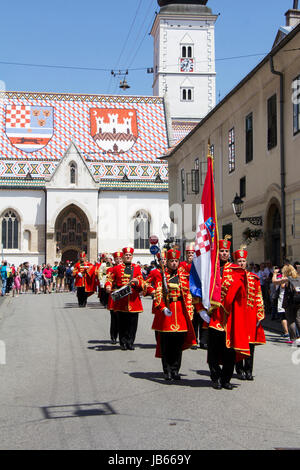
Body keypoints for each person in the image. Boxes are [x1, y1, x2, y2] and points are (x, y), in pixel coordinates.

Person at [207, 236, 250, 390]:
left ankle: (226, 379)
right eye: (221, 251)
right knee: (212, 349)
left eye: (226, 251)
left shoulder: (236, 271)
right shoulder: (210, 269)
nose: (224, 253)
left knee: (229, 350)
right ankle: (215, 377)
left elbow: (241, 293)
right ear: (217, 252)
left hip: (229, 317)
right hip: (213, 315)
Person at [149, 248, 196, 381]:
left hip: (180, 312)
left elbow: (187, 295)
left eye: (176, 261)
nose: (174, 263)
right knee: (166, 344)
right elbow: (158, 294)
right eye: (171, 261)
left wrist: (190, 312)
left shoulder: (183, 276)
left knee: (178, 344)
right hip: (167, 314)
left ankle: (175, 370)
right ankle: (167, 370)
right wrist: (163, 308)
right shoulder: (162, 275)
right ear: (167, 262)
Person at [233, 246, 266, 381]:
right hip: (238, 314)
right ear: (235, 262)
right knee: (238, 343)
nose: (241, 263)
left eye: (243, 261)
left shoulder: (254, 278)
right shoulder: (232, 277)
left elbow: (259, 296)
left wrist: (260, 313)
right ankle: (239, 369)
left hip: (251, 314)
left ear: (246, 262)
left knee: (250, 344)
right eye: (239, 261)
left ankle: (249, 370)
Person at [105, 247, 144, 351]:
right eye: (126, 255)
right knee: (122, 323)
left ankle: (130, 342)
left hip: (133, 299)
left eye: (129, 255)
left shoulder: (136, 268)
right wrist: (108, 286)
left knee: (133, 323)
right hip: (121, 299)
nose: (128, 256)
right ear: (123, 256)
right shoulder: (116, 268)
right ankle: (123, 342)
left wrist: (137, 282)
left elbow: (142, 281)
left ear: (132, 256)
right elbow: (109, 279)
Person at [273, 264, 300, 345]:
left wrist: (274, 274)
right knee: (299, 319)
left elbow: (275, 282)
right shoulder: (298, 277)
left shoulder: (287, 279)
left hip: (290, 302)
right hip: (299, 301)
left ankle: (294, 338)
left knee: (291, 320)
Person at [106, 251, 123, 344]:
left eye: (120, 259)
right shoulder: (110, 270)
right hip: (114, 294)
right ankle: (113, 336)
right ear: (114, 260)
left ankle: (122, 337)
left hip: (123, 295)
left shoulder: (127, 269)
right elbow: (108, 280)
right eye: (117, 259)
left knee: (123, 318)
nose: (119, 261)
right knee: (114, 318)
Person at [272, 268, 290, 339]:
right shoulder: (294, 277)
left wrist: (275, 274)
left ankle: (287, 332)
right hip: (289, 299)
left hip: (283, 299)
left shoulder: (285, 278)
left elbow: (281, 285)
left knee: (283, 316)